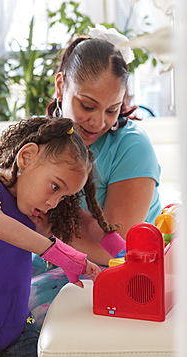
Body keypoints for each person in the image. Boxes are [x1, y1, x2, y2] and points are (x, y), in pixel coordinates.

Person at [0, 116, 124, 357]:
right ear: (26, 157)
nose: (54, 202)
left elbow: (88, 223)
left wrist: (125, 251)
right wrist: (63, 255)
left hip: (18, 325)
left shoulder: (31, 209)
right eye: (54, 187)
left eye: (64, 196)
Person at [29, 24, 162, 329]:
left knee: (23, 317)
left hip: (106, 266)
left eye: (112, 110)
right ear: (61, 86)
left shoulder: (131, 146)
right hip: (45, 254)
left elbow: (114, 249)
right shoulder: (45, 138)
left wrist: (40, 232)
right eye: (87, 105)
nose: (98, 121)